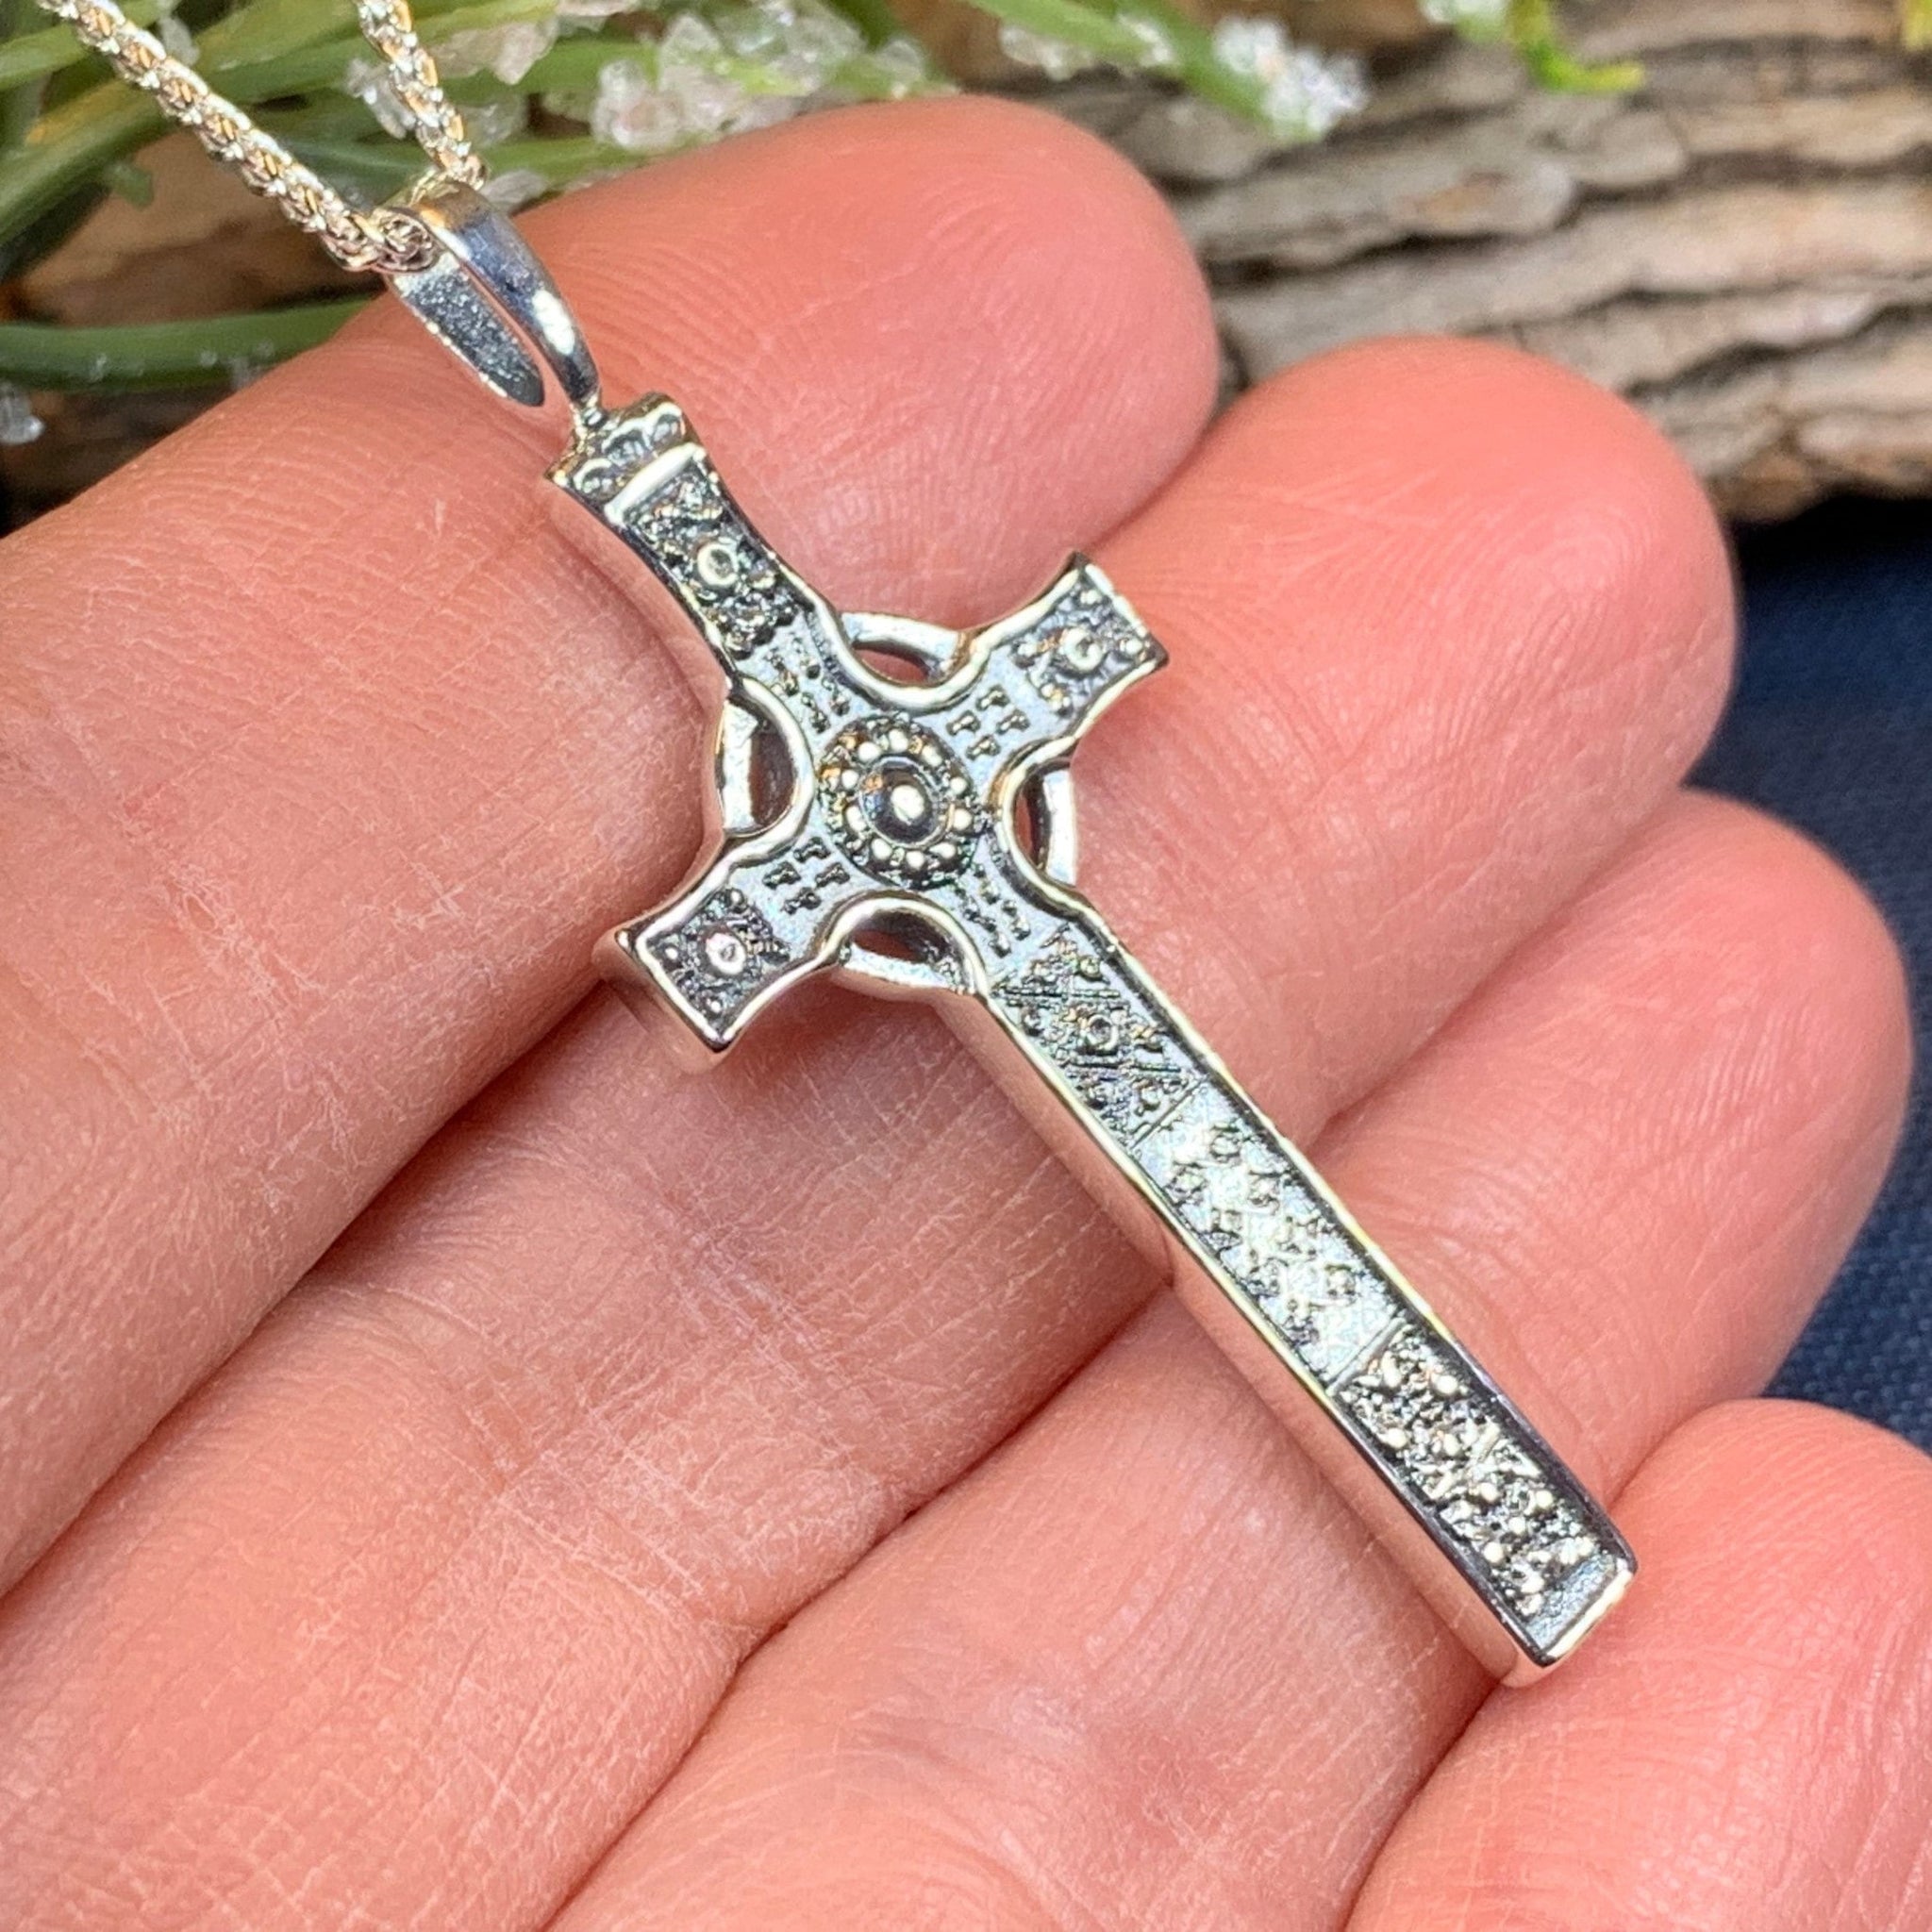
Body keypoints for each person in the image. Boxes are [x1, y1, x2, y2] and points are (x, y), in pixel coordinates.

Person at [0, 96, 1925, 1929]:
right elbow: (714, 947)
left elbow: (1070, 652)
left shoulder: (974, 711)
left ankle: (1526, 1553)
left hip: (1032, 942)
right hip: (963, 930)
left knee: (1275, 1199)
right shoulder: (798, 831)